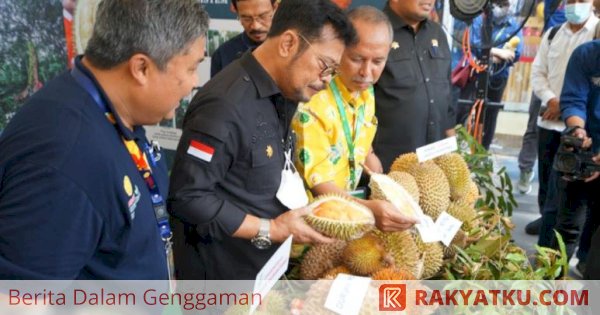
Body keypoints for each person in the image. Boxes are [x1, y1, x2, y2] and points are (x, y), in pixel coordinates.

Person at [0, 0, 209, 279]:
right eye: (191, 68)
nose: (194, 83)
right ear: (141, 68)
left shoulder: (114, 109)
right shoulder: (66, 159)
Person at [168, 0, 356, 280]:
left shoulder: (285, 90)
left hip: (264, 269)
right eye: (324, 65)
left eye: (333, 72)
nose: (326, 79)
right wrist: (271, 229)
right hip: (222, 282)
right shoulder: (224, 105)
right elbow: (188, 197)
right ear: (288, 43)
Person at [292, 6, 417, 232]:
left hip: (350, 218)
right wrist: (368, 209)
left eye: (378, 62)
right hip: (312, 224)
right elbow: (318, 182)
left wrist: (371, 160)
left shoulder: (366, 92)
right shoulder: (313, 102)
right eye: (357, 59)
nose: (366, 72)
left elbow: (359, 134)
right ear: (339, 49)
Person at [525, 0, 598, 243]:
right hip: (558, 122)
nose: (575, 5)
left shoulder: (594, 31)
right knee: (551, 187)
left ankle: (585, 255)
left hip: (586, 129)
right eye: (571, 1)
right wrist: (555, 102)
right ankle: (546, 235)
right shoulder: (554, 33)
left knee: (581, 207)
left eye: (582, 0)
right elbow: (539, 73)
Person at [373, 0, 455, 172]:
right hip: (389, 164)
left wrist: (453, 151)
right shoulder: (374, 32)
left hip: (435, 165)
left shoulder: (437, 33)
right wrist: (368, 155)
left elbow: (446, 95)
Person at [455, 0, 523, 150]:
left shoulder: (514, 26)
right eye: (497, 3)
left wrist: (490, 53)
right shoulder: (479, 20)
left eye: (503, 4)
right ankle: (456, 148)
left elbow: (515, 54)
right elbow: (474, 44)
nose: (499, 7)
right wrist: (498, 53)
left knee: (490, 116)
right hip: (475, 74)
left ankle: (482, 151)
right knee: (464, 110)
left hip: (498, 77)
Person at [559, 40, 600, 279]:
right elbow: (574, 99)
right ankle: (549, 290)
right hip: (584, 149)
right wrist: (577, 131)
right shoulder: (586, 54)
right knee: (566, 226)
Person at [210, 0, 278, 77]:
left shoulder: (292, 49)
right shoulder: (222, 55)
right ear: (236, 11)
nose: (256, 26)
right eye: (247, 19)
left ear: (275, 7)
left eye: (262, 17)